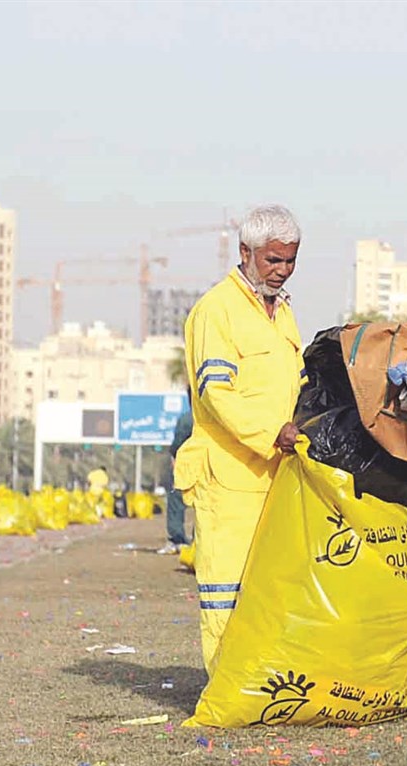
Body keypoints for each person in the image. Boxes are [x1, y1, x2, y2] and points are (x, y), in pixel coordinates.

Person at [177, 204, 305, 672]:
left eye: (290, 260)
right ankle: (225, 687)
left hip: (277, 477)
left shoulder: (283, 312)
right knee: (225, 591)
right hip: (229, 480)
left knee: (268, 591)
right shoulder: (217, 310)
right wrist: (273, 432)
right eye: (273, 260)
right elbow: (216, 395)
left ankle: (260, 686)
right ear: (246, 252)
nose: (282, 270)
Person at [158, 400, 195, 554]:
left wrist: (174, 460)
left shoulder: (188, 418)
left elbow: (177, 445)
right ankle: (199, 541)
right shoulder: (217, 414)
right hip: (213, 467)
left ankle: (177, 539)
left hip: (188, 467)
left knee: (176, 500)